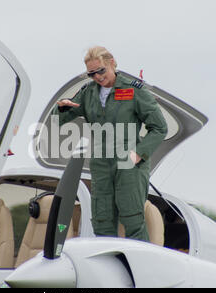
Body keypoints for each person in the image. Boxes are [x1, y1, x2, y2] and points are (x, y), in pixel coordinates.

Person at [53, 46, 168, 242]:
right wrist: (61, 108)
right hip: (100, 163)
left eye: (101, 71)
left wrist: (139, 154)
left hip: (128, 164)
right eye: (92, 74)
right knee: (102, 221)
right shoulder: (88, 93)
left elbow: (159, 127)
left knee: (132, 219)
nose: (97, 77)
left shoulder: (134, 90)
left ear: (112, 63)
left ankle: (140, 268)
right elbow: (60, 120)